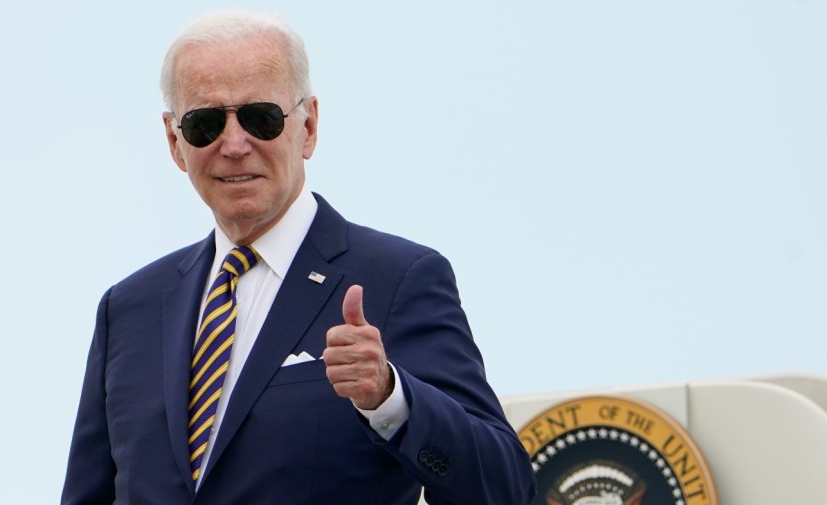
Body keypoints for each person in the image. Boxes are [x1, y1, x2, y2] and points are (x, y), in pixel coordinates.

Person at [61, 11, 535, 505]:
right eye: (204, 124)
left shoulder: (397, 279)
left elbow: (504, 488)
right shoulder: (129, 308)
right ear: (174, 142)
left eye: (260, 117)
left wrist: (390, 397)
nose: (235, 145)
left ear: (308, 126)